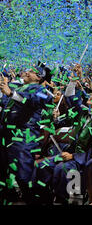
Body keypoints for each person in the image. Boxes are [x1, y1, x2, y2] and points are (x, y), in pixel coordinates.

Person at [0, 63, 52, 203]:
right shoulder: (20, 87)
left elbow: (31, 101)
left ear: (39, 77)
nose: (27, 73)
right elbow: (6, 103)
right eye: (28, 70)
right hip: (7, 134)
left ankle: (37, 200)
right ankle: (11, 197)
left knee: (23, 175)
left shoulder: (43, 91)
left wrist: (11, 94)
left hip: (24, 136)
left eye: (32, 72)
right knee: (5, 170)